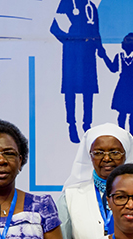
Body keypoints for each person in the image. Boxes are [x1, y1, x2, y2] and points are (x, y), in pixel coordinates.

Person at [57, 123, 133, 239]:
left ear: (126, 155)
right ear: (90, 156)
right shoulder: (71, 196)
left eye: (115, 152)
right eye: (99, 153)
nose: (107, 158)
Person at [51, 0, 103, 143]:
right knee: (70, 90)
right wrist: (69, 41)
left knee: (88, 91)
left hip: (88, 54)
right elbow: (54, 27)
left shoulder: (91, 6)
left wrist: (101, 51)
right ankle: (72, 125)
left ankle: (87, 125)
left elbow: (96, 31)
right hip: (72, 54)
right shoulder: (67, 3)